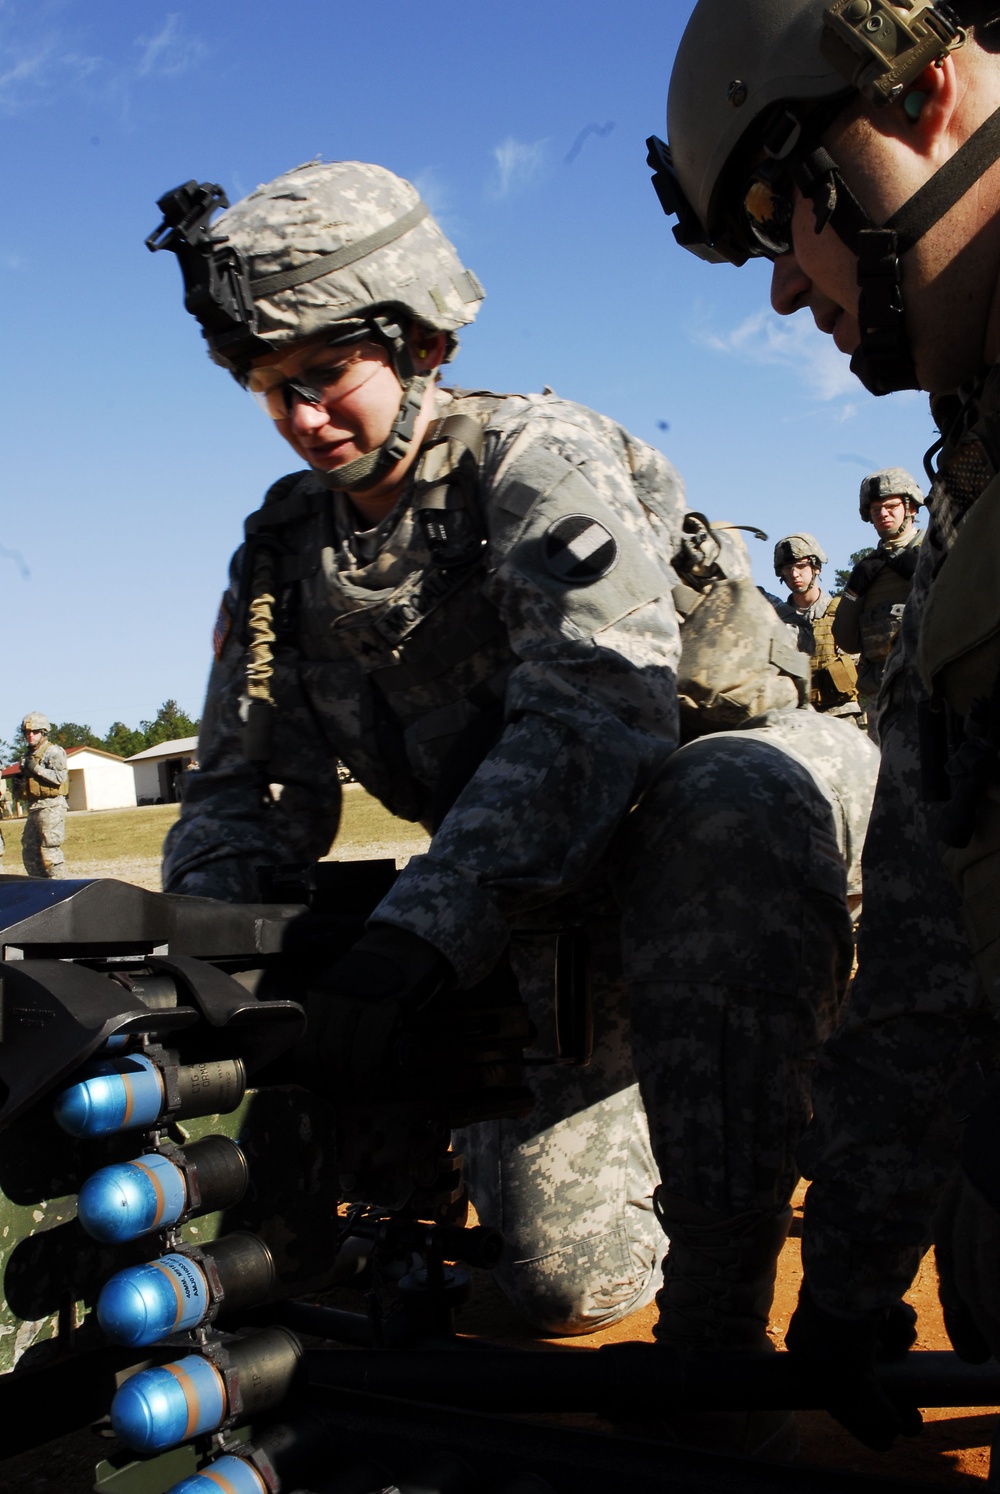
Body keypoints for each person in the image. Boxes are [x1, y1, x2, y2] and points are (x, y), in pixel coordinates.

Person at [152, 161, 877, 1456]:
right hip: (549, 891)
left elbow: (598, 716)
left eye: (327, 374)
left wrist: (416, 940)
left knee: (722, 802)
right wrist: (206, 952)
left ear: (418, 338)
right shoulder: (286, 547)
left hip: (747, 811)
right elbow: (245, 783)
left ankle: (722, 1335)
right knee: (565, 1286)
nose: (303, 415)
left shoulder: (532, 454)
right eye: (273, 388)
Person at [659, 0, 1000, 1453]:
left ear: (923, 92)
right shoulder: (970, 500)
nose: (787, 292)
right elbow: (927, 958)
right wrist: (848, 1302)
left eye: (774, 210)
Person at [833, 470, 924, 740]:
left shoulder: (938, 549)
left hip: (929, 688)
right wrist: (852, 592)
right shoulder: (867, 570)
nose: (883, 513)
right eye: (876, 509)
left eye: (892, 506)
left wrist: (926, 574)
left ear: (912, 509)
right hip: (882, 697)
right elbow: (848, 641)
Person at [773, 532, 861, 724]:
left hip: (842, 717)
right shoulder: (776, 621)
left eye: (801, 566)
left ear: (816, 567)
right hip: (797, 720)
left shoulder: (841, 612)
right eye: (788, 568)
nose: (794, 574)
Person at [18, 712, 68, 879]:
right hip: (34, 807)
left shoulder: (53, 751)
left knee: (50, 851)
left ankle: (60, 888)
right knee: (29, 851)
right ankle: (41, 887)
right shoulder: (27, 755)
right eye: (27, 732)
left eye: (35, 732)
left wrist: (36, 769)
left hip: (51, 806)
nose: (30, 736)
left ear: (44, 732)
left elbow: (60, 778)